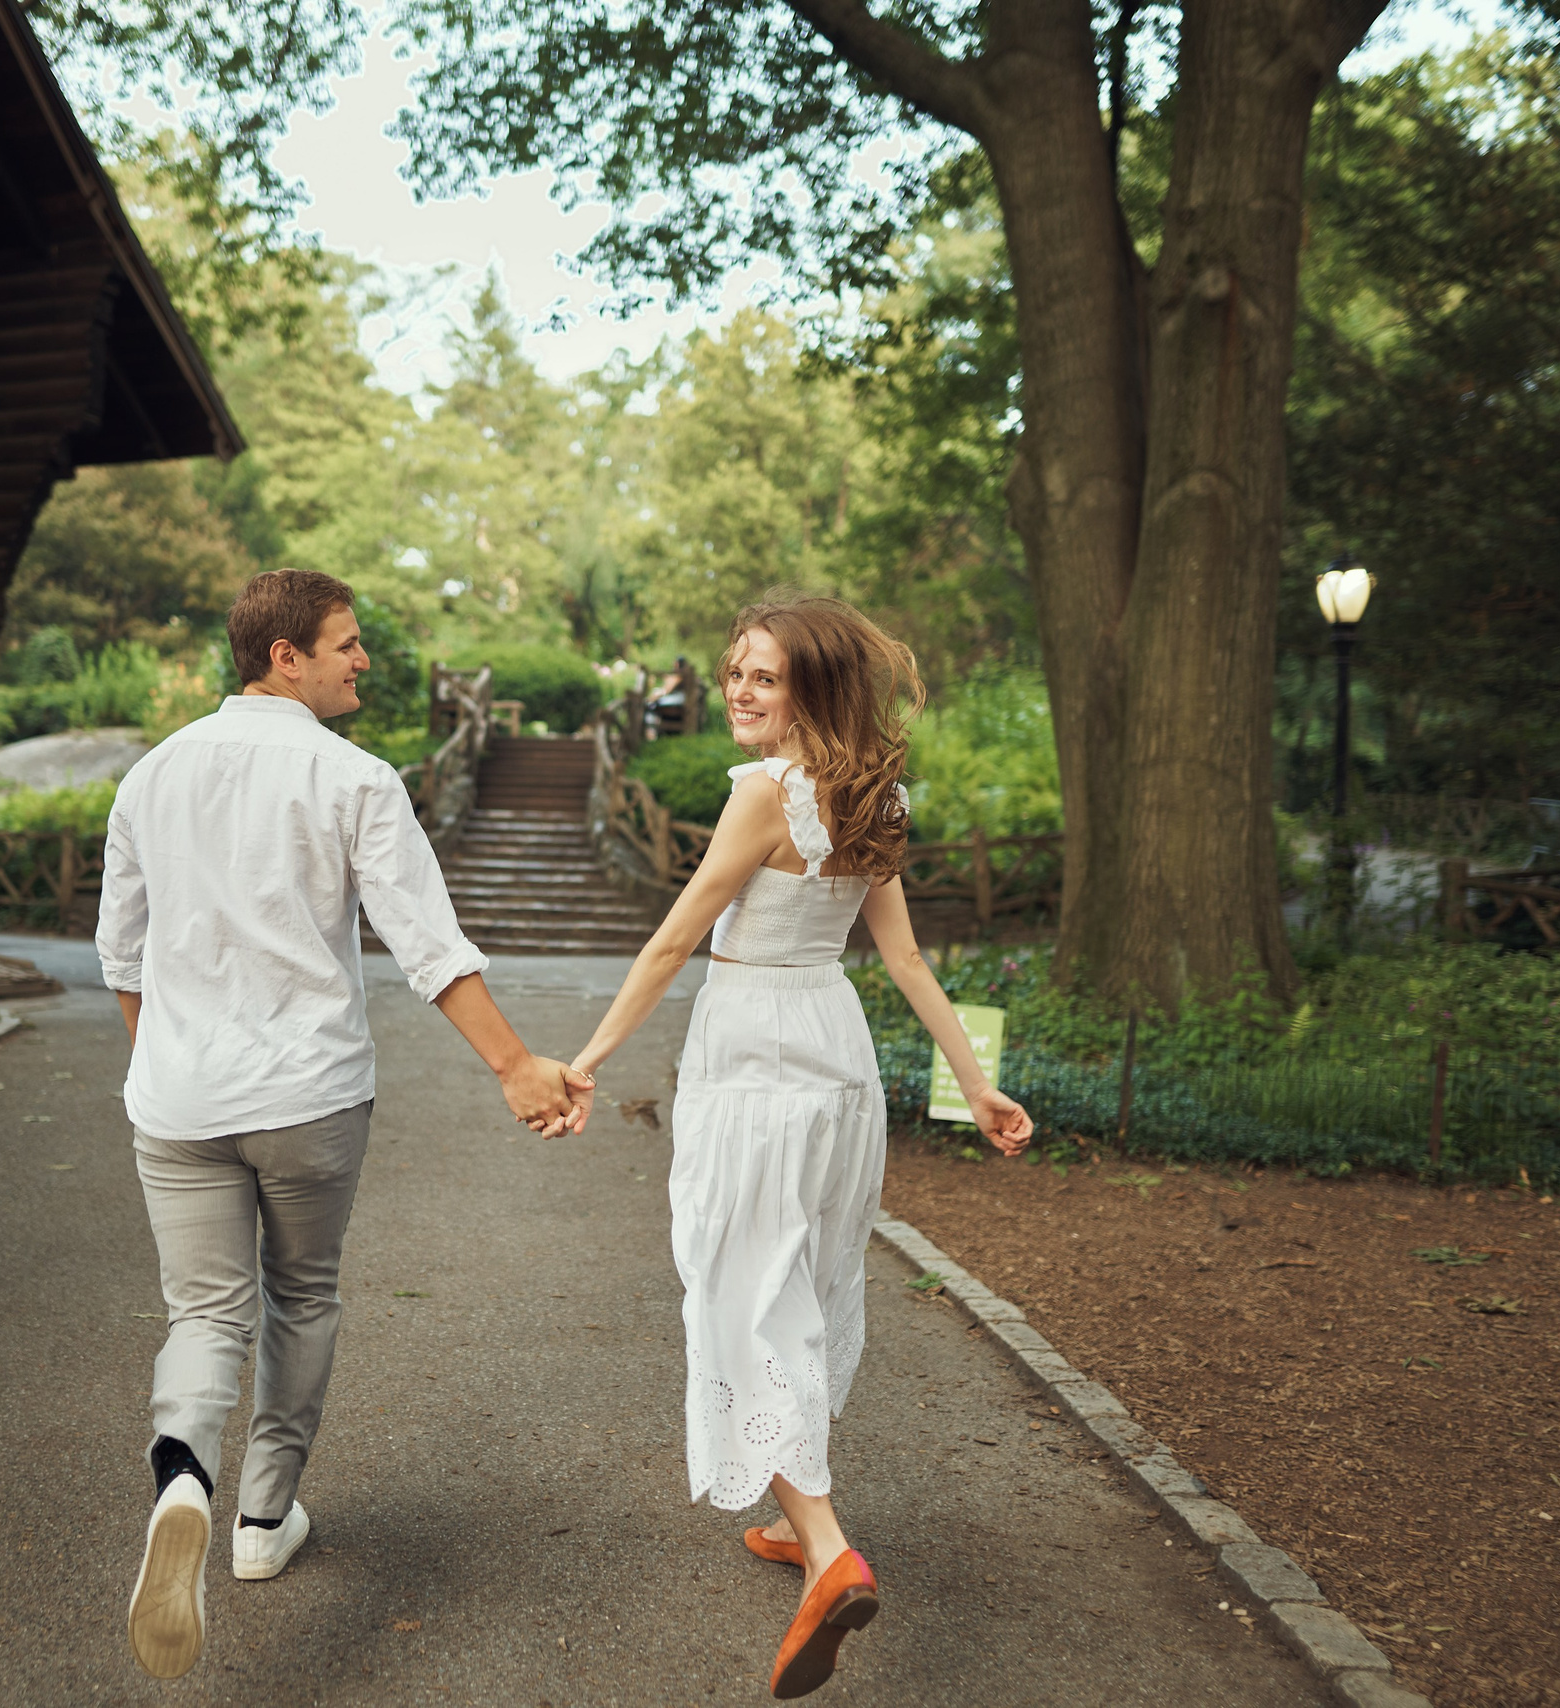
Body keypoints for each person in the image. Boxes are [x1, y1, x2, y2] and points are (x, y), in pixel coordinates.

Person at [96, 569, 593, 1681]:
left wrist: (166, 1070)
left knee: (203, 1307)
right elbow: (427, 944)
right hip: (309, 1096)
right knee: (300, 1294)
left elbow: (121, 957)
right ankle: (264, 1521)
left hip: (177, 1102)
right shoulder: (354, 778)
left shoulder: (151, 775)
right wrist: (516, 1067)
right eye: (347, 643)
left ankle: (183, 1472)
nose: (363, 660)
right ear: (285, 656)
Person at [566, 594, 1033, 1699]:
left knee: (741, 1291)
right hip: (836, 1050)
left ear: (809, 690)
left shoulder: (765, 793)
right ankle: (796, 1515)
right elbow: (906, 961)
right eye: (734, 670)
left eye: (762, 677)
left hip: (756, 1054)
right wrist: (978, 1085)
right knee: (803, 1286)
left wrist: (583, 1060)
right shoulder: (877, 793)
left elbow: (679, 934)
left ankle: (825, 1550)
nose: (736, 689)